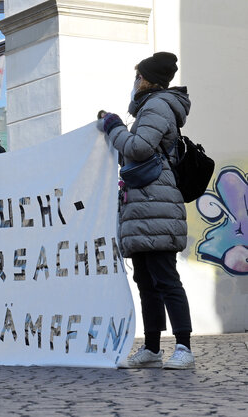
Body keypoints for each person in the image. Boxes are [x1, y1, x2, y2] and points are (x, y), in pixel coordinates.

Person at [98, 52, 195, 370]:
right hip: (143, 207)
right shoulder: (150, 107)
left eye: (137, 76)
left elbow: (139, 148)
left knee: (166, 279)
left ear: (146, 79)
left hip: (157, 206)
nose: (134, 82)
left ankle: (183, 347)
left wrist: (113, 128)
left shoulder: (157, 106)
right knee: (146, 280)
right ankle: (152, 348)